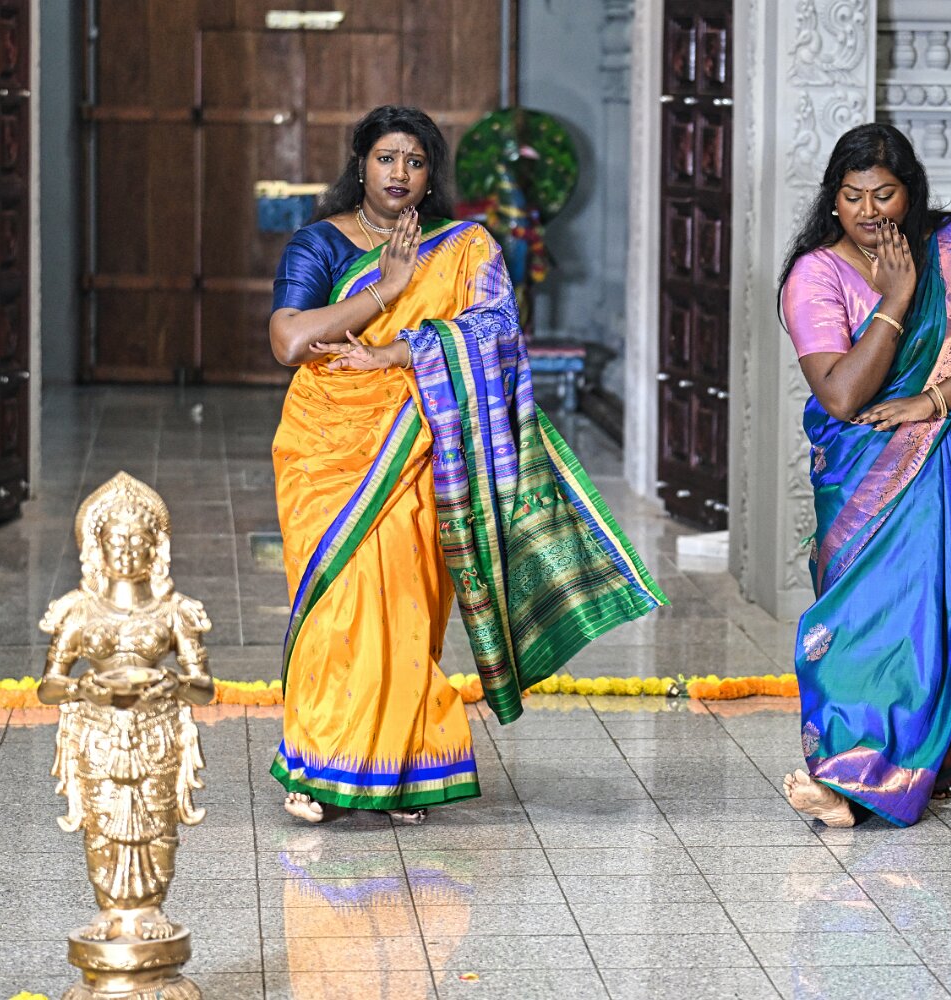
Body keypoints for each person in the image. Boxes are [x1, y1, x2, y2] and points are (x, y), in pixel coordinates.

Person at [268, 106, 665, 826]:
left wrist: (395, 350)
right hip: (328, 447)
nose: (400, 173)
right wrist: (385, 290)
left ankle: (400, 768)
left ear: (431, 175)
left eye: (415, 162)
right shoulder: (318, 243)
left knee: (406, 604)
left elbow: (497, 331)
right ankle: (318, 764)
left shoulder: (464, 246)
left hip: (421, 436)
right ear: (360, 164)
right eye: (386, 158)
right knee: (337, 607)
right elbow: (289, 342)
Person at [776, 123, 951, 828]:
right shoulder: (816, 275)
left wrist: (933, 402)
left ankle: (925, 767)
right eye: (852, 195)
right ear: (833, 199)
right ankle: (844, 775)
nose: (868, 211)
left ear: (910, 192)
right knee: (864, 620)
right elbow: (842, 396)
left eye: (884, 194)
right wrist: (896, 299)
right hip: (867, 483)